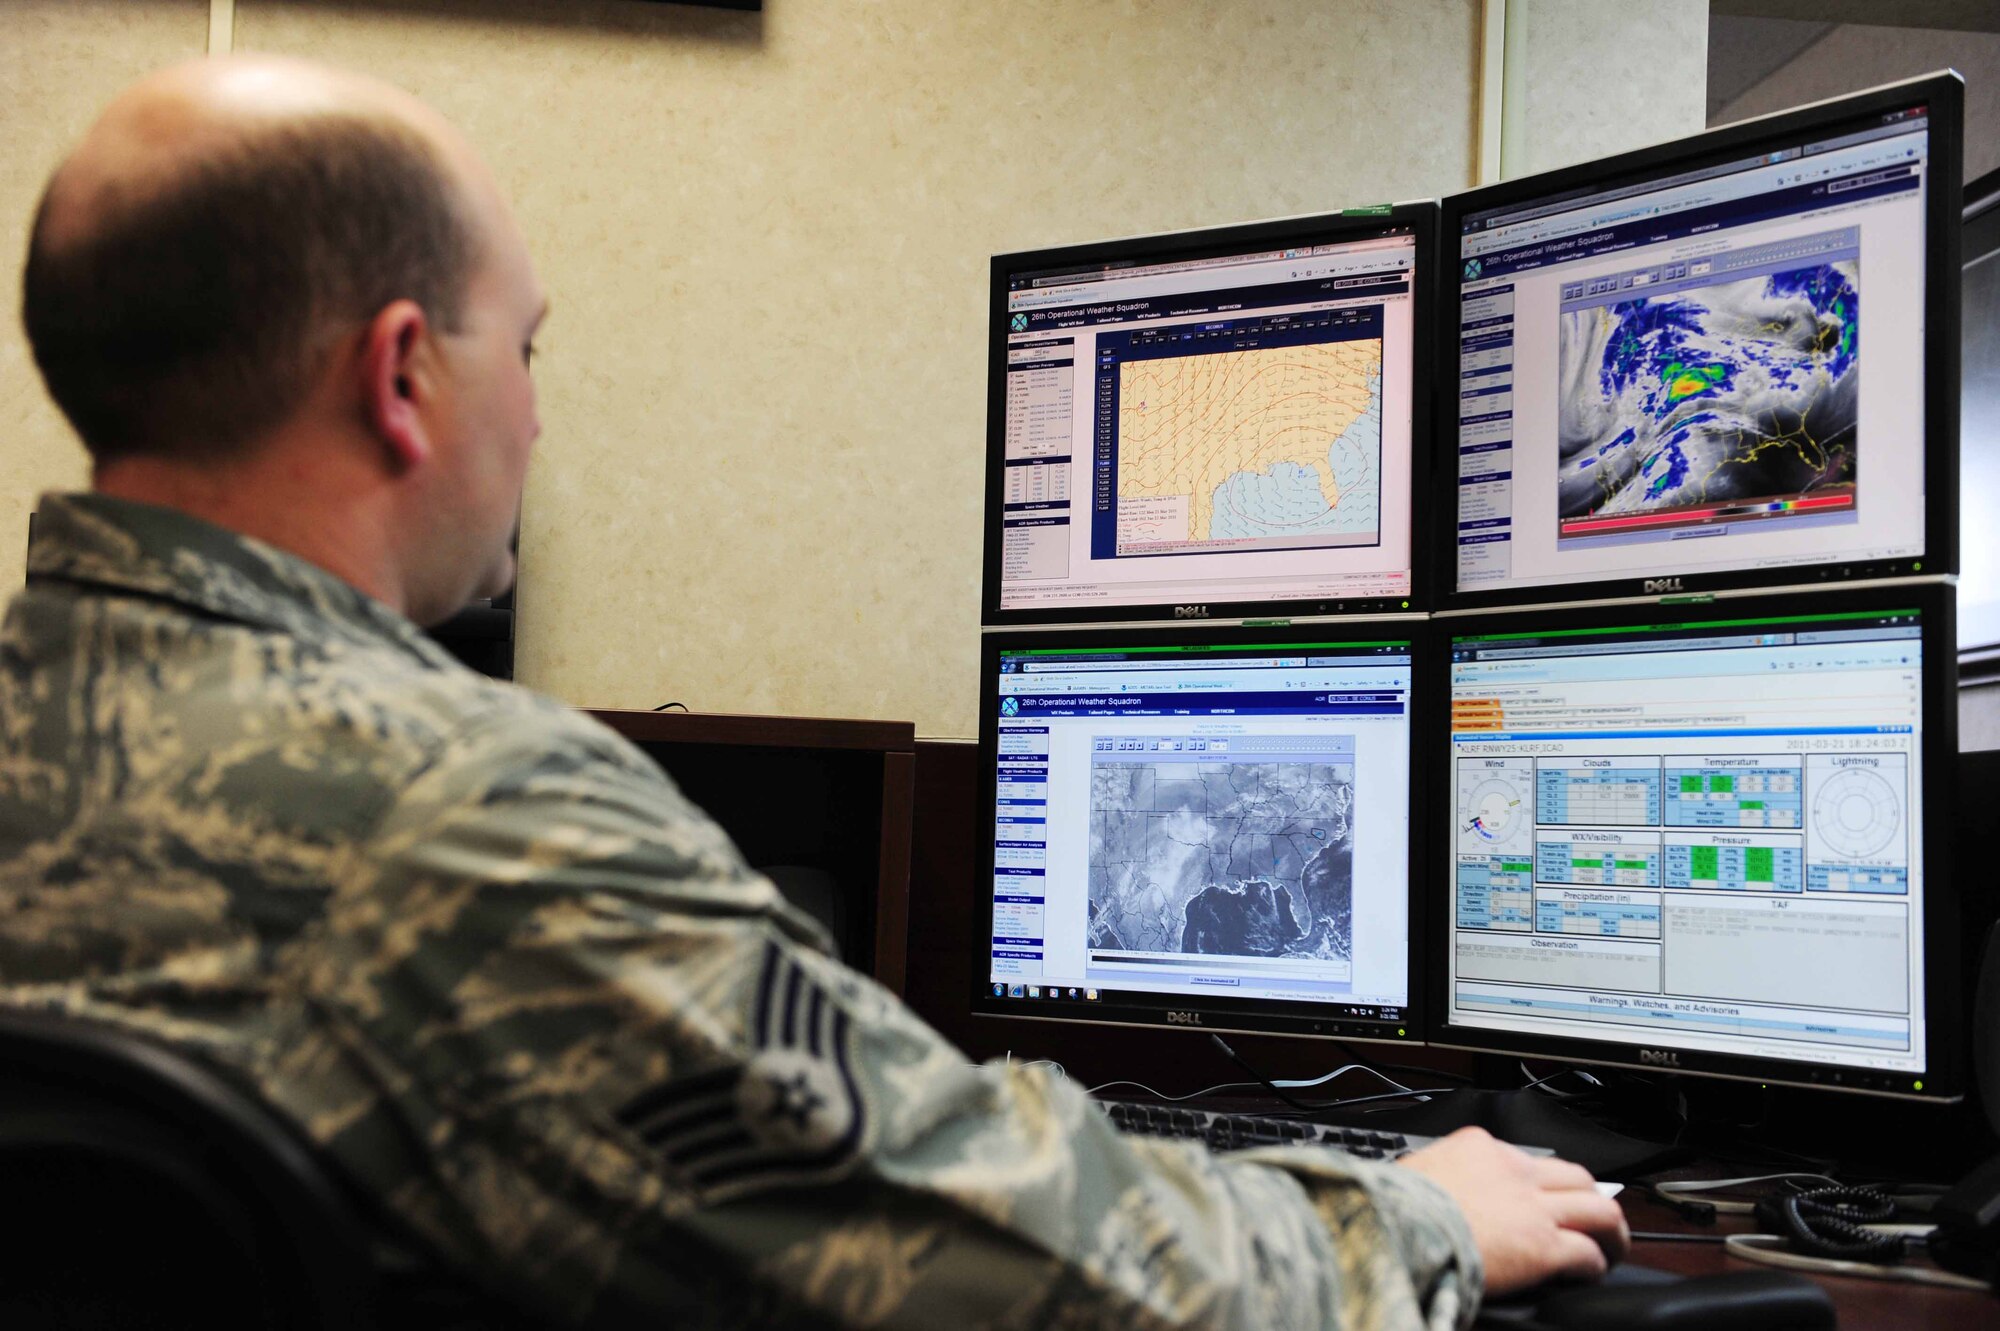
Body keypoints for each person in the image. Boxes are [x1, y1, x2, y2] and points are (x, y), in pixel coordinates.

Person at [1, 54, 1628, 1329]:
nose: (540, 425)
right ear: (404, 374)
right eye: (532, 352)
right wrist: (1415, 1217)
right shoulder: (465, 821)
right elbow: (1007, 1270)